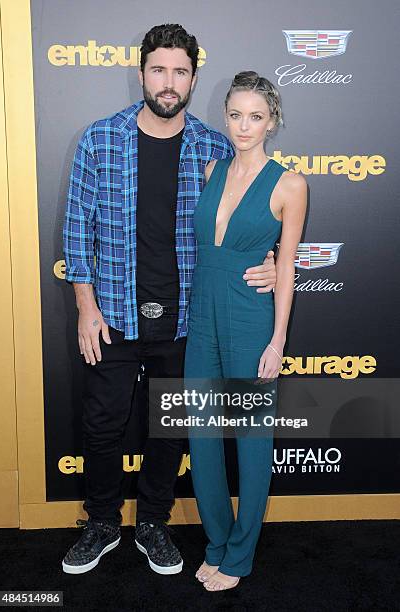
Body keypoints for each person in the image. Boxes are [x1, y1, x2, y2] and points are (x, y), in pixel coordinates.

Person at [62, 25, 277, 575]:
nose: (169, 81)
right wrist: (86, 307)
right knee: (103, 425)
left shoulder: (214, 146)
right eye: (158, 69)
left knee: (170, 425)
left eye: (180, 71)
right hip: (111, 312)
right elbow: (76, 229)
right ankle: (103, 522)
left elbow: (249, 216)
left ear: (193, 78)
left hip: (188, 318)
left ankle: (153, 521)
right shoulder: (100, 139)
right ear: (141, 73)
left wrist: (271, 260)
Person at [184, 71, 307, 591]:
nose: (243, 125)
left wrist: (278, 340)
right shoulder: (213, 168)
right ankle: (216, 545)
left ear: (272, 121)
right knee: (203, 437)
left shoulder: (290, 184)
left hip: (251, 319)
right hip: (201, 316)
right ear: (225, 115)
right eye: (235, 114)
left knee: (253, 441)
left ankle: (239, 557)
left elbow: (288, 265)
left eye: (255, 116)